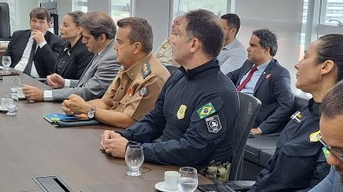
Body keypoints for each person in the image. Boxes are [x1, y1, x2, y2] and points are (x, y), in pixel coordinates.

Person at [243, 34, 343, 192]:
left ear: (326, 67)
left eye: (306, 57)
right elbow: (272, 169)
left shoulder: (341, 130)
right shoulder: (304, 114)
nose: (297, 64)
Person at [100, 9, 239, 166]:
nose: (172, 40)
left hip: (197, 178)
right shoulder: (178, 76)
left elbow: (192, 150)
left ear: (193, 44)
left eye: (178, 34)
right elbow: (155, 121)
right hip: (167, 162)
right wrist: (122, 136)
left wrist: (131, 149)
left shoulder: (217, 93)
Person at [61, 17, 170, 129]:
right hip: (112, 130)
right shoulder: (127, 66)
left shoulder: (152, 77)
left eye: (119, 42)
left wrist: (88, 109)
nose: (115, 47)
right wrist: (76, 107)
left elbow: (128, 121)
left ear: (136, 47)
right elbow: (105, 103)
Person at [22, 11, 121, 102]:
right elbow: (87, 83)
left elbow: (89, 92)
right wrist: (64, 83)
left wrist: (44, 95)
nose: (83, 41)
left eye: (86, 38)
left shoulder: (111, 58)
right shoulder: (101, 49)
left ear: (102, 38)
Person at [226, 29, 294, 135]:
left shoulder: (279, 74)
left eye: (253, 46)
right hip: (231, 111)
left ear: (266, 50)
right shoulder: (248, 64)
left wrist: (261, 129)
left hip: (248, 120)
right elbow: (229, 77)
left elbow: (286, 105)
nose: (248, 49)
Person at [32, 10, 94, 80]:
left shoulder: (86, 50)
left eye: (65, 25)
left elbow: (81, 83)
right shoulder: (65, 45)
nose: (60, 28)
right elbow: (56, 71)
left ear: (79, 29)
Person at [4, 7, 61, 77]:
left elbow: (54, 67)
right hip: (14, 75)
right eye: (34, 21)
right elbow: (6, 58)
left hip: (38, 80)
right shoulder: (18, 35)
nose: (37, 25)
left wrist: (42, 42)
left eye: (41, 22)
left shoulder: (56, 41)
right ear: (30, 22)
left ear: (49, 24)